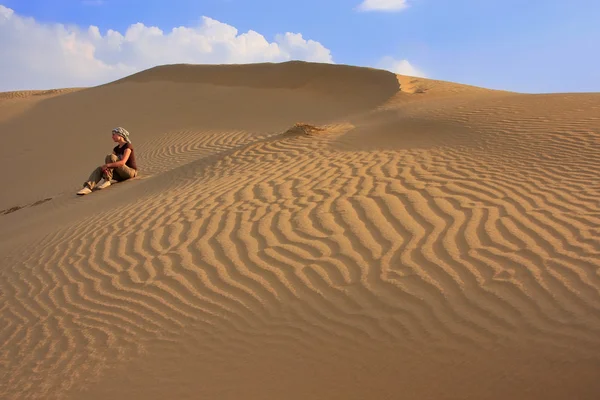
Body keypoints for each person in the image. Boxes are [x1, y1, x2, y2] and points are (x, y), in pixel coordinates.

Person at [77, 127, 138, 195]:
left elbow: (122, 162)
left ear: (120, 135)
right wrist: (106, 168)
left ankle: (107, 180)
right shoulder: (116, 149)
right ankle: (88, 187)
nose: (112, 137)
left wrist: (107, 165)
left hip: (130, 173)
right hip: (120, 176)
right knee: (100, 168)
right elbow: (110, 161)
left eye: (114, 134)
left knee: (110, 156)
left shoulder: (128, 146)